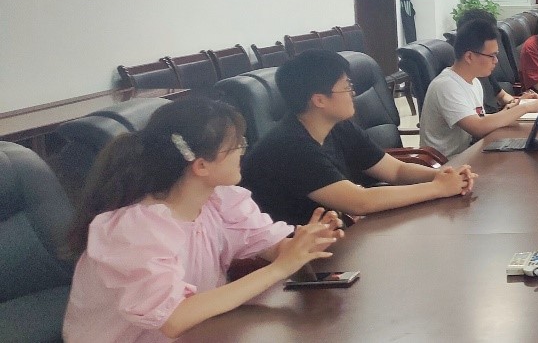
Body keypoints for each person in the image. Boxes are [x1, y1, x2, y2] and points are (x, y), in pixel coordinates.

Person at [63, 97, 342, 342]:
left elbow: (269, 245)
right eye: (236, 145)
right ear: (201, 165)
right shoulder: (135, 229)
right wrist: (279, 268)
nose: (242, 151)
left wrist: (305, 244)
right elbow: (173, 318)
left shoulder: (219, 200)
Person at [240, 50, 476, 226]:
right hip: (290, 261)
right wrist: (437, 188)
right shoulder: (290, 147)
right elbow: (360, 201)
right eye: (346, 87)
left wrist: (442, 176)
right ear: (319, 100)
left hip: (331, 237)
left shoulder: (337, 126)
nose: (353, 94)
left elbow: (395, 171)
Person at [421, 19, 538, 157]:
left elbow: (480, 119)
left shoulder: (474, 81)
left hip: (470, 153)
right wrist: (525, 108)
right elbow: (478, 127)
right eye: (491, 56)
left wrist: (513, 108)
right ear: (469, 56)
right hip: (447, 163)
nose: (496, 61)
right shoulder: (446, 85)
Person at [454, 8, 538, 113]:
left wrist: (520, 102)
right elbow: (479, 122)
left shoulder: (480, 72)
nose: (496, 61)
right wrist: (520, 108)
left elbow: (502, 96)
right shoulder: (453, 84)